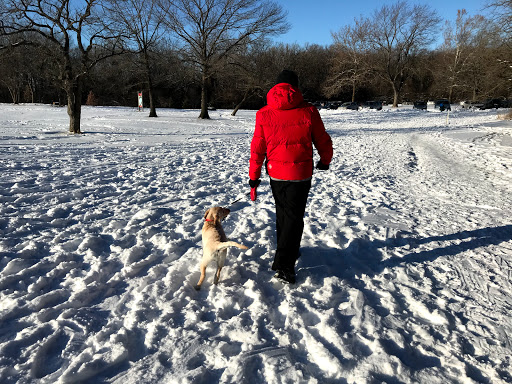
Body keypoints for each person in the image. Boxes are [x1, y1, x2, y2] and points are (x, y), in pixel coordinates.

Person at [249, 69, 333, 284]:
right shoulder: (309, 111)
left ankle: (285, 255)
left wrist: (254, 175)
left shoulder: (263, 113)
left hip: (276, 174)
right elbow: (322, 139)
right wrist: (325, 160)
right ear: (296, 87)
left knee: (283, 215)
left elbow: (257, 148)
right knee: (294, 218)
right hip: (300, 175)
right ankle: (285, 265)